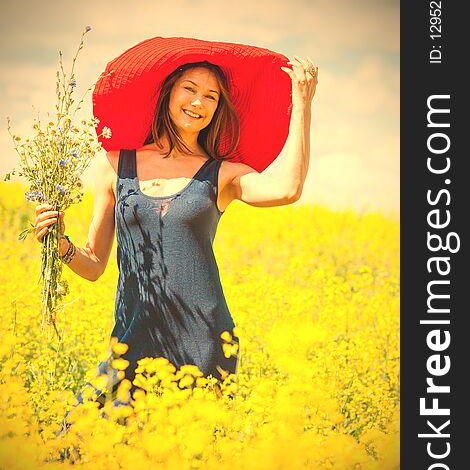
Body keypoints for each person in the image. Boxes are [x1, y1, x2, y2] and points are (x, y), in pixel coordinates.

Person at [34, 51, 318, 424]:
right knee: (77, 444)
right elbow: (93, 266)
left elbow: (288, 189)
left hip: (202, 340)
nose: (199, 102)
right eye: (190, 89)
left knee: (180, 466)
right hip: (131, 338)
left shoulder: (223, 174)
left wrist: (302, 104)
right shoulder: (115, 164)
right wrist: (60, 245)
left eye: (212, 97)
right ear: (169, 92)